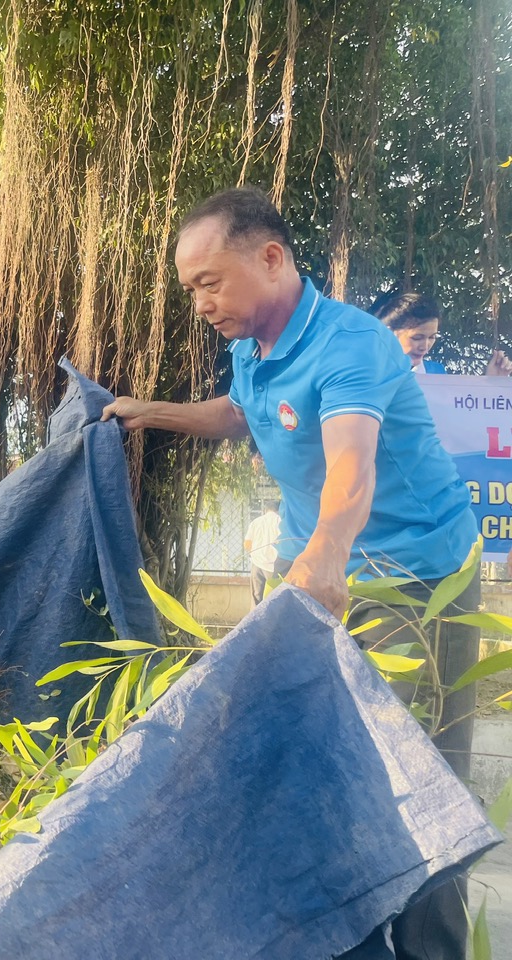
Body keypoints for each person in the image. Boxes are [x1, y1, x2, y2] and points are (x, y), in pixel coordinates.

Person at [102, 186, 480, 960]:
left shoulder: (350, 346)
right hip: (314, 579)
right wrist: (151, 412)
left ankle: (433, 951)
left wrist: (324, 558)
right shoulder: (252, 349)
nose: (200, 302)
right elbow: (243, 412)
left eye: (209, 281)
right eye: (189, 289)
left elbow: (350, 462)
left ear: (271, 258)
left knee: (421, 781)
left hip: (411, 582)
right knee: (322, 766)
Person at [371, 289, 512, 376]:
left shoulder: (436, 373)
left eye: (432, 337)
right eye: (417, 337)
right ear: (390, 334)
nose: (425, 346)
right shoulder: (365, 372)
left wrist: (493, 382)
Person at [242, 500, 280, 605]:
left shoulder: (256, 522)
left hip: (257, 564)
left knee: (256, 597)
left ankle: (255, 619)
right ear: (279, 510)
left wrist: (254, 553)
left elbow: (247, 544)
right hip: (273, 566)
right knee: (274, 598)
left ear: (265, 510)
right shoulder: (280, 522)